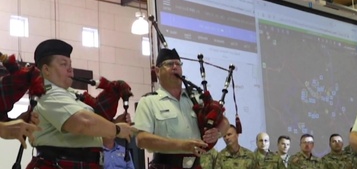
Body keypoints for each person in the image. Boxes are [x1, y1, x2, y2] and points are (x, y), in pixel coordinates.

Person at [26, 39, 137, 169]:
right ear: (46, 70)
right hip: (58, 164)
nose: (70, 69)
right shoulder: (47, 94)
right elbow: (83, 123)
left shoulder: (71, 94)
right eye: (63, 64)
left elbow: (89, 130)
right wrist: (116, 129)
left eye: (70, 64)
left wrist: (112, 124)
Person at [134, 48, 229, 169]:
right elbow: (142, 140)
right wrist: (183, 146)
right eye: (169, 64)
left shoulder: (197, 98)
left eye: (178, 64)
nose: (175, 67)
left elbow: (224, 122)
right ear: (157, 71)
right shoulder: (148, 101)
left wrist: (218, 133)